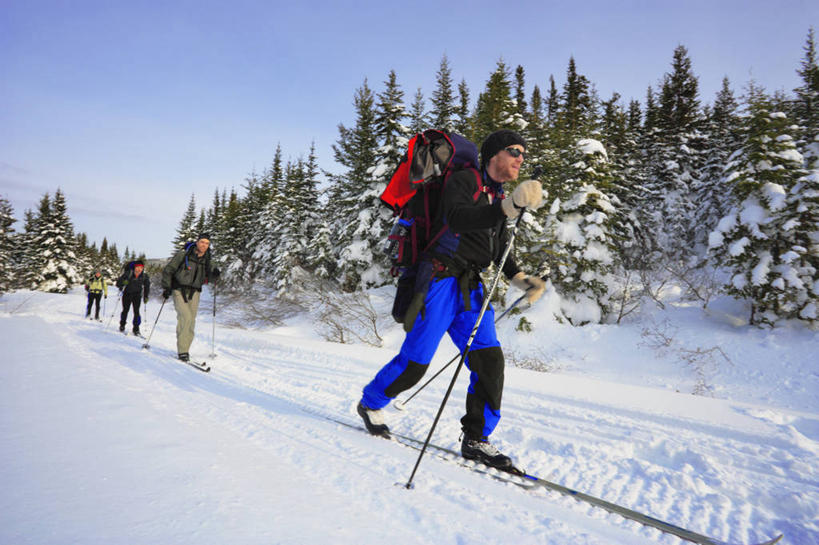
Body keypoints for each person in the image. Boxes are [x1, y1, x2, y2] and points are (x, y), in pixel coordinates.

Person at [357, 129, 546, 470]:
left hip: (472, 287)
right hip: (440, 279)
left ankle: (477, 439)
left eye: (523, 152)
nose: (520, 157)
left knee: (490, 362)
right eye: (514, 150)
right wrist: (510, 205)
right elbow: (459, 218)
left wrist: (521, 279)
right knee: (415, 364)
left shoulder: (497, 193)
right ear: (493, 155)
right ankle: (371, 403)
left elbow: (500, 246)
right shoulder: (464, 180)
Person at [161, 234, 220, 362]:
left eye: (207, 243)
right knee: (185, 317)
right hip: (178, 289)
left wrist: (215, 275)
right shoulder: (184, 255)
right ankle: (182, 351)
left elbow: (209, 278)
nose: (204, 245)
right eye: (202, 242)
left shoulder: (207, 259)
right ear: (197, 242)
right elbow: (168, 270)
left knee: (191, 321)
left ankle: (185, 349)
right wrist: (167, 287)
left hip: (195, 292)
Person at [116, 260, 150, 335]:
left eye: (141, 268)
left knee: (137, 312)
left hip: (137, 296)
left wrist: (146, 296)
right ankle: (122, 325)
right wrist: (123, 282)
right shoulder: (128, 274)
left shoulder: (144, 276)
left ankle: (136, 329)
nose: (139, 269)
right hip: (127, 295)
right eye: (137, 267)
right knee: (125, 310)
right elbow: (118, 283)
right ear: (134, 267)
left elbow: (147, 286)